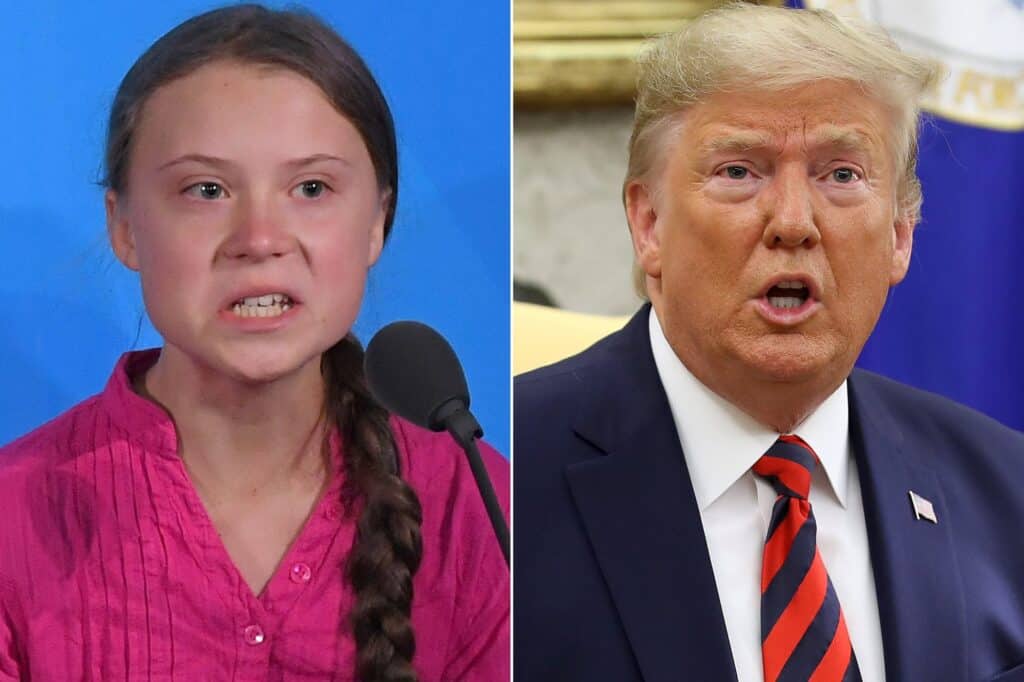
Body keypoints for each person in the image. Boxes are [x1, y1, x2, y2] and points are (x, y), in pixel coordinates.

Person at [514, 4, 1024, 682]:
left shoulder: (1004, 489)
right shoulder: (496, 480)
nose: (792, 222)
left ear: (901, 235)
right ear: (648, 224)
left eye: (841, 174)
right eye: (739, 171)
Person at [0, 5, 508, 680]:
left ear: (377, 222)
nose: (261, 238)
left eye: (311, 188)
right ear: (123, 225)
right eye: (206, 189)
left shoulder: (481, 506)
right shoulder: (16, 515)